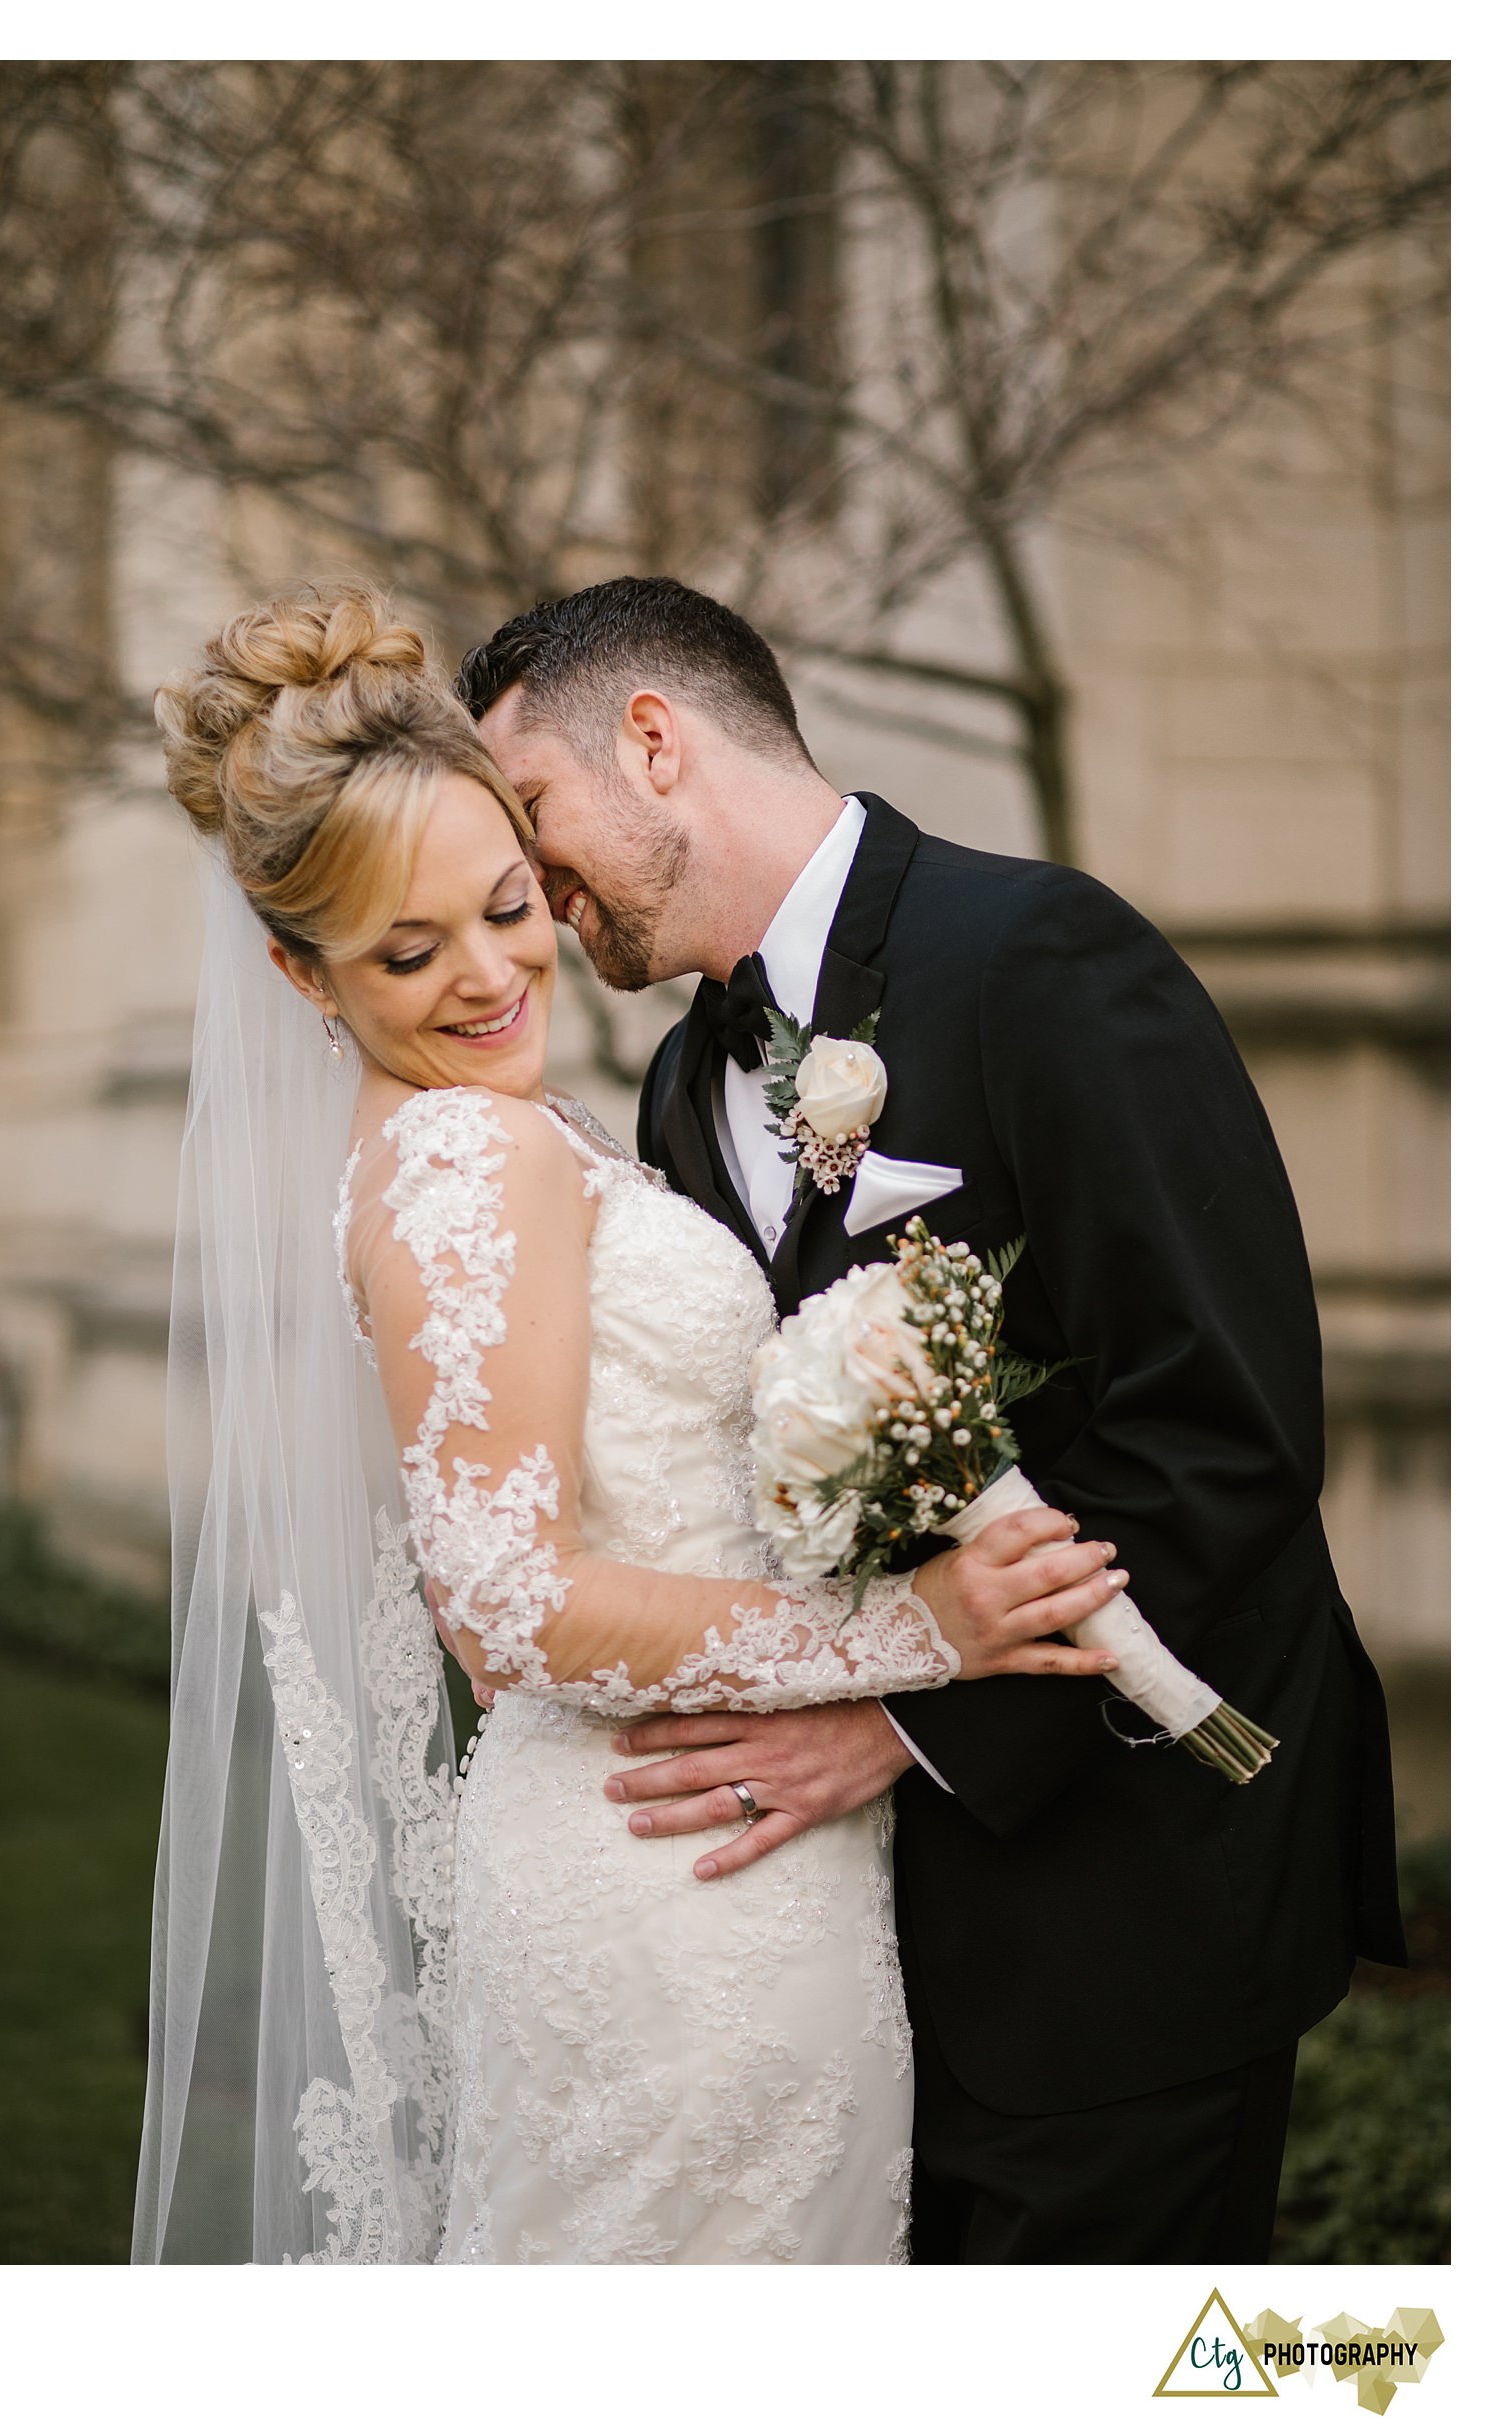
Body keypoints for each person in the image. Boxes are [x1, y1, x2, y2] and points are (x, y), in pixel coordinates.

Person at [131, 579, 1122, 2267]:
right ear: (304, 976)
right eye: (404, 950)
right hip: (666, 1873)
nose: (490, 972)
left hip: (701, 1838)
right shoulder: (474, 1155)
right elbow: (509, 1606)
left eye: (506, 903)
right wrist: (917, 1629)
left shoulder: (529, 1127)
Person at [454, 573, 1408, 2264]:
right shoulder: (683, 1083)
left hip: (1134, 1887)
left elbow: (1221, 1427)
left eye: (529, 813)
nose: (526, 887)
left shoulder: (1043, 955)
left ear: (655, 743)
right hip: (867, 1966)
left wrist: (904, 1733)